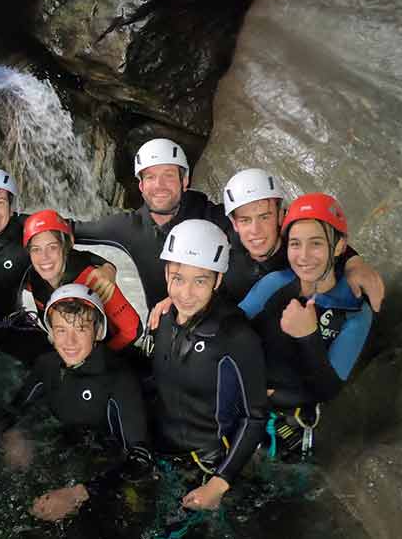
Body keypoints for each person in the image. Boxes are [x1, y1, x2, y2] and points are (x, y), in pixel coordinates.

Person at [146, 168, 386, 332]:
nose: (255, 231)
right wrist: (177, 298)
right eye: (245, 220)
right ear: (234, 223)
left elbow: (327, 244)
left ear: (281, 215)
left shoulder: (298, 252)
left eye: (264, 216)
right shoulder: (227, 244)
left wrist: (355, 263)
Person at [0, 284, 153, 527]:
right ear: (51, 332)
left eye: (80, 329)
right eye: (61, 330)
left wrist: (78, 493)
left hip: (105, 476)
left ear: (98, 330)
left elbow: (141, 459)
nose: (69, 341)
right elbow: (14, 409)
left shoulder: (118, 379)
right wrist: (13, 435)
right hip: (63, 456)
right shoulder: (48, 365)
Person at [238, 193, 375, 456]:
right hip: (246, 408)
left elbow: (328, 388)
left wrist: (308, 336)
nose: (303, 256)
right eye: (295, 244)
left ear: (338, 247)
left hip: (292, 426)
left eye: (316, 244)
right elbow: (227, 332)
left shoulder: (355, 311)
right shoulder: (275, 283)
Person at [149, 219, 267, 512]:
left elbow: (255, 417)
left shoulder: (236, 337)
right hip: (161, 453)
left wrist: (218, 483)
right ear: (166, 275)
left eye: (199, 280)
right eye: (178, 278)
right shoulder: (163, 319)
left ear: (217, 280)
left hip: (208, 465)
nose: (186, 293)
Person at [0, 169, 118, 364]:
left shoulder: (26, 228)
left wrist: (107, 267)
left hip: (12, 326)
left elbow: (67, 250)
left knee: (59, 363)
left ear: (11, 209)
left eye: (1, 202)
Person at [72, 138, 224, 312]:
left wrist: (175, 301)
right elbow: (63, 230)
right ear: (141, 185)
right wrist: (105, 265)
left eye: (168, 175)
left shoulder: (212, 216)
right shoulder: (129, 226)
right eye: (151, 177)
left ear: (185, 181)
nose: (159, 185)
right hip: (162, 332)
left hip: (217, 327)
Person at [23, 210, 141, 352]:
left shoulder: (93, 278)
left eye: (52, 247)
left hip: (107, 353)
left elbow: (133, 329)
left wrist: (102, 356)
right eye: (36, 249)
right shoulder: (33, 278)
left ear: (65, 248)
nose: (44, 257)